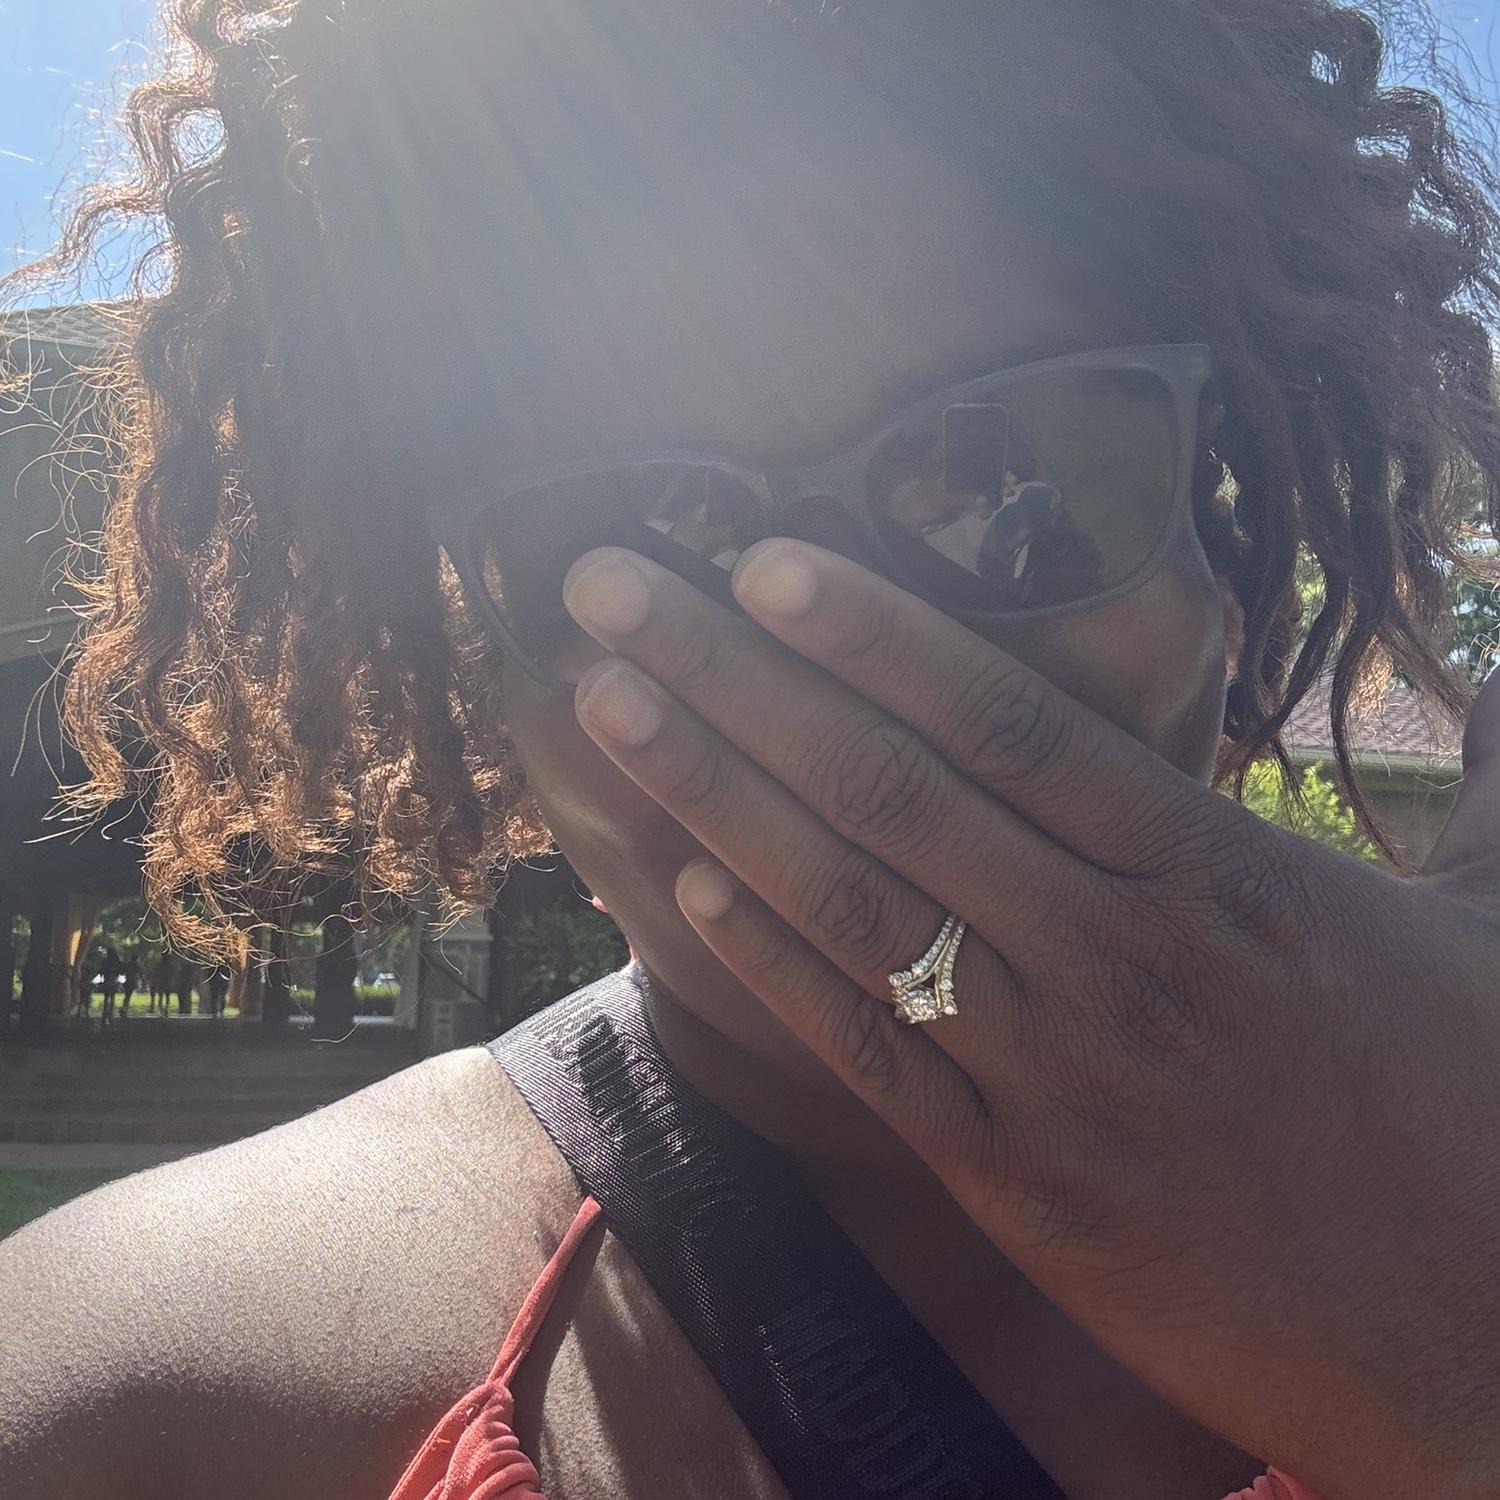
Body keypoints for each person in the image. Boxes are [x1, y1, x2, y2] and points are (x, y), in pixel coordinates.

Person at [2, 2, 1499, 1498]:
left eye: (1007, 470)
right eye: (640, 542)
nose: (823, 638)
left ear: (1226, 588)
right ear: (486, 686)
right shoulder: (132, 1401)